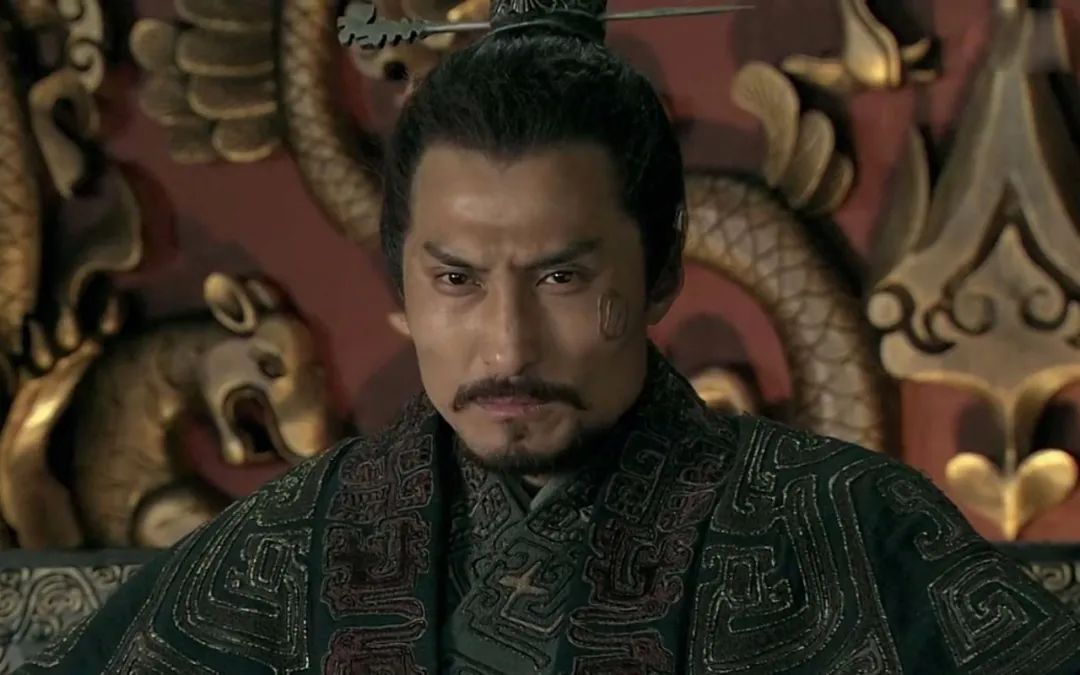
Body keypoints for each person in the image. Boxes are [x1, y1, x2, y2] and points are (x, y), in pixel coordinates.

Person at [19, 0, 1080, 672]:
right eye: (456, 279)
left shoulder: (853, 530)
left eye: (563, 276)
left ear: (662, 269)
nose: (506, 345)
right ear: (401, 285)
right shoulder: (281, 555)